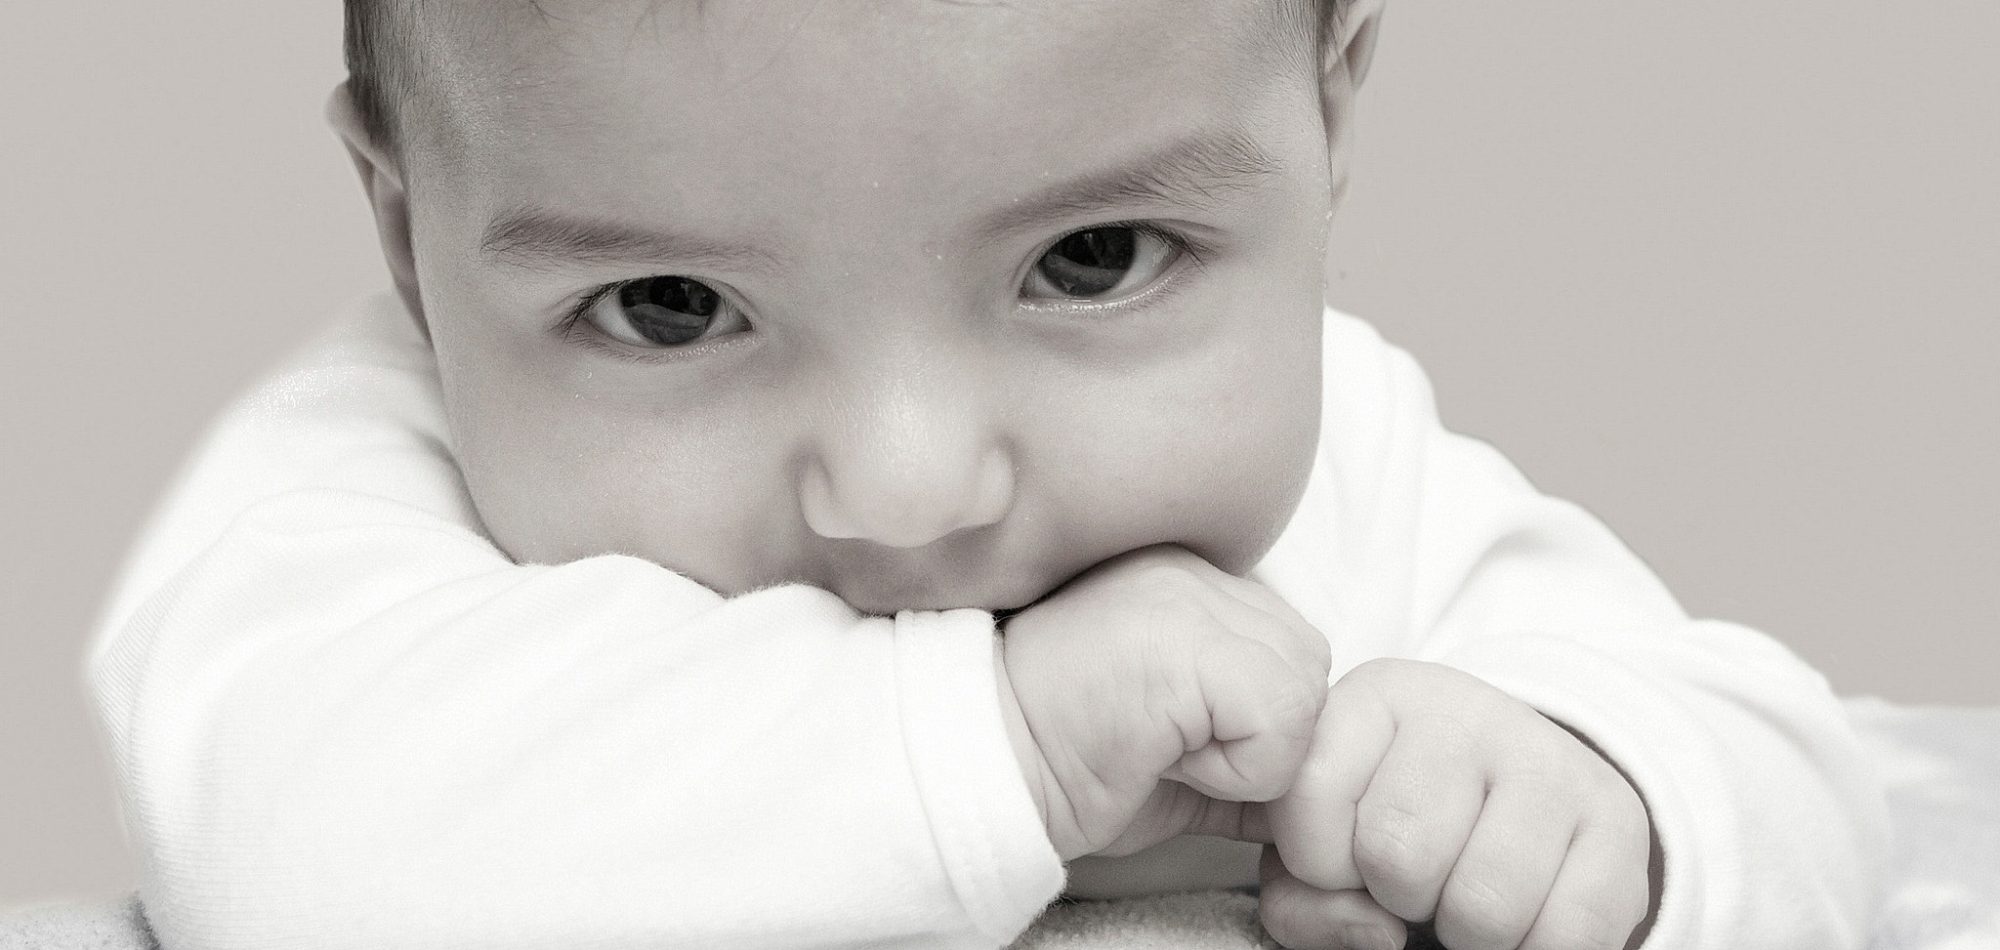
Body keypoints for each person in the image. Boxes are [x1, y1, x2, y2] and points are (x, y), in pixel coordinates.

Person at [87, 1, 1888, 948]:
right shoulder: (364, 494)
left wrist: (1596, 804)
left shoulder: (1355, 463)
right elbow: (286, 860)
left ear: (1328, 115)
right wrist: (998, 741)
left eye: (1091, 260)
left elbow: (1803, 782)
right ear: (412, 237)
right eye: (666, 305)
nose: (905, 484)